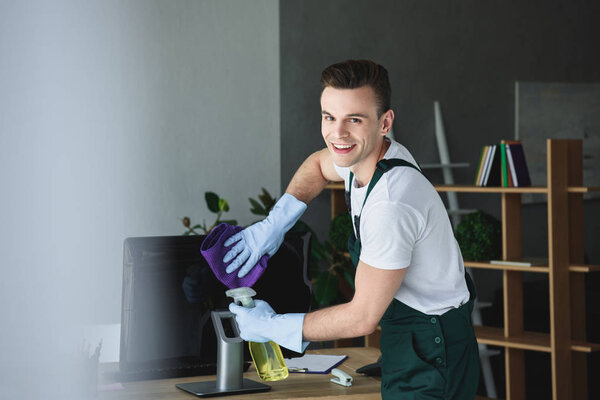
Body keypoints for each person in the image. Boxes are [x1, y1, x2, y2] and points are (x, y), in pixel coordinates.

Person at [224, 59, 479, 399]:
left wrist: (273, 327)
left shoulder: (391, 204)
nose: (338, 134)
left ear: (385, 122)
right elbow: (317, 164)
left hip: (434, 348)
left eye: (354, 120)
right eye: (329, 117)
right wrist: (276, 223)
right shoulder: (366, 158)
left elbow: (361, 318)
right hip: (413, 338)